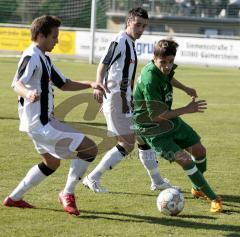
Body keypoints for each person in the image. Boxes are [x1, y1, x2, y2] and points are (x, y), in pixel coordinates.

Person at [2, 15, 107, 216]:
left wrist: (90, 83)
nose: (57, 41)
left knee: (51, 163)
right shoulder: (31, 55)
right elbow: (17, 83)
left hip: (38, 125)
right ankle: (67, 193)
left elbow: (64, 83)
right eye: (53, 36)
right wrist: (28, 93)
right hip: (42, 124)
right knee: (90, 149)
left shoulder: (44, 58)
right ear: (40, 36)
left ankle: (14, 198)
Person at [82, 7, 178, 193]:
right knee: (126, 144)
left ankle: (157, 181)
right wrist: (100, 86)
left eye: (144, 26)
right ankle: (92, 178)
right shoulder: (119, 41)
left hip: (126, 99)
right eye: (137, 25)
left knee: (143, 138)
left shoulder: (130, 43)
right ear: (128, 22)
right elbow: (104, 63)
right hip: (117, 99)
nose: (141, 29)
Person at [133, 39, 223, 213]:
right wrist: (187, 109)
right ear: (154, 58)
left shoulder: (162, 70)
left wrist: (185, 88)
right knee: (186, 160)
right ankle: (213, 198)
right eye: (163, 62)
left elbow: (169, 76)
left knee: (199, 150)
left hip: (170, 119)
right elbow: (156, 116)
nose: (167, 66)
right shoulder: (150, 78)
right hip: (153, 127)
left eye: (170, 62)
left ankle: (197, 187)